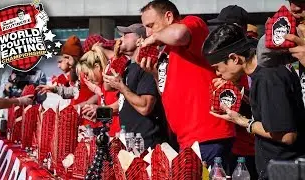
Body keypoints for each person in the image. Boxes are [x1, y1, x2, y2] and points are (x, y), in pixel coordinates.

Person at [203, 24, 305, 180]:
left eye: (218, 67)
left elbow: (286, 135)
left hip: (284, 170)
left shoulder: (268, 77)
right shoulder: (265, 73)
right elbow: (274, 108)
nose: (217, 73)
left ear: (234, 58)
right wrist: (242, 95)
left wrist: (242, 121)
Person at [139, 0, 235, 166]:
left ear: (168, 17)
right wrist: (155, 74)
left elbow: (178, 35)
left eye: (151, 25)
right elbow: (167, 91)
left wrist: (155, 37)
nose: (148, 33)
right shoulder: (167, 50)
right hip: (188, 138)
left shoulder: (192, 23)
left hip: (208, 135)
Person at [208, 5, 258, 178]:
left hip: (254, 146)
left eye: (223, 27)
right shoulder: (227, 59)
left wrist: (235, 90)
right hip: (234, 142)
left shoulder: (254, 57)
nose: (218, 31)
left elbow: (259, 104)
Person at [102, 23, 168, 149]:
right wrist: (116, 56)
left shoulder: (147, 66)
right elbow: (108, 86)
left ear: (139, 41)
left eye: (126, 35)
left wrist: (121, 87)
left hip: (147, 141)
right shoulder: (128, 65)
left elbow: (145, 107)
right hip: (130, 139)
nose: (120, 39)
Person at [37, 35, 97, 107]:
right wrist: (54, 89)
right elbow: (75, 92)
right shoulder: (77, 71)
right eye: (64, 57)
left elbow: (99, 94)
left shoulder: (86, 71)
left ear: (75, 56)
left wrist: (79, 106)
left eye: (67, 57)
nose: (66, 61)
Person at [76, 44, 120, 136]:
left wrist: (99, 111)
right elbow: (111, 113)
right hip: (112, 134)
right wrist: (97, 116)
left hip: (121, 135)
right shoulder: (103, 84)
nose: (87, 78)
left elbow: (121, 106)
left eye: (87, 74)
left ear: (97, 66)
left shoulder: (111, 78)